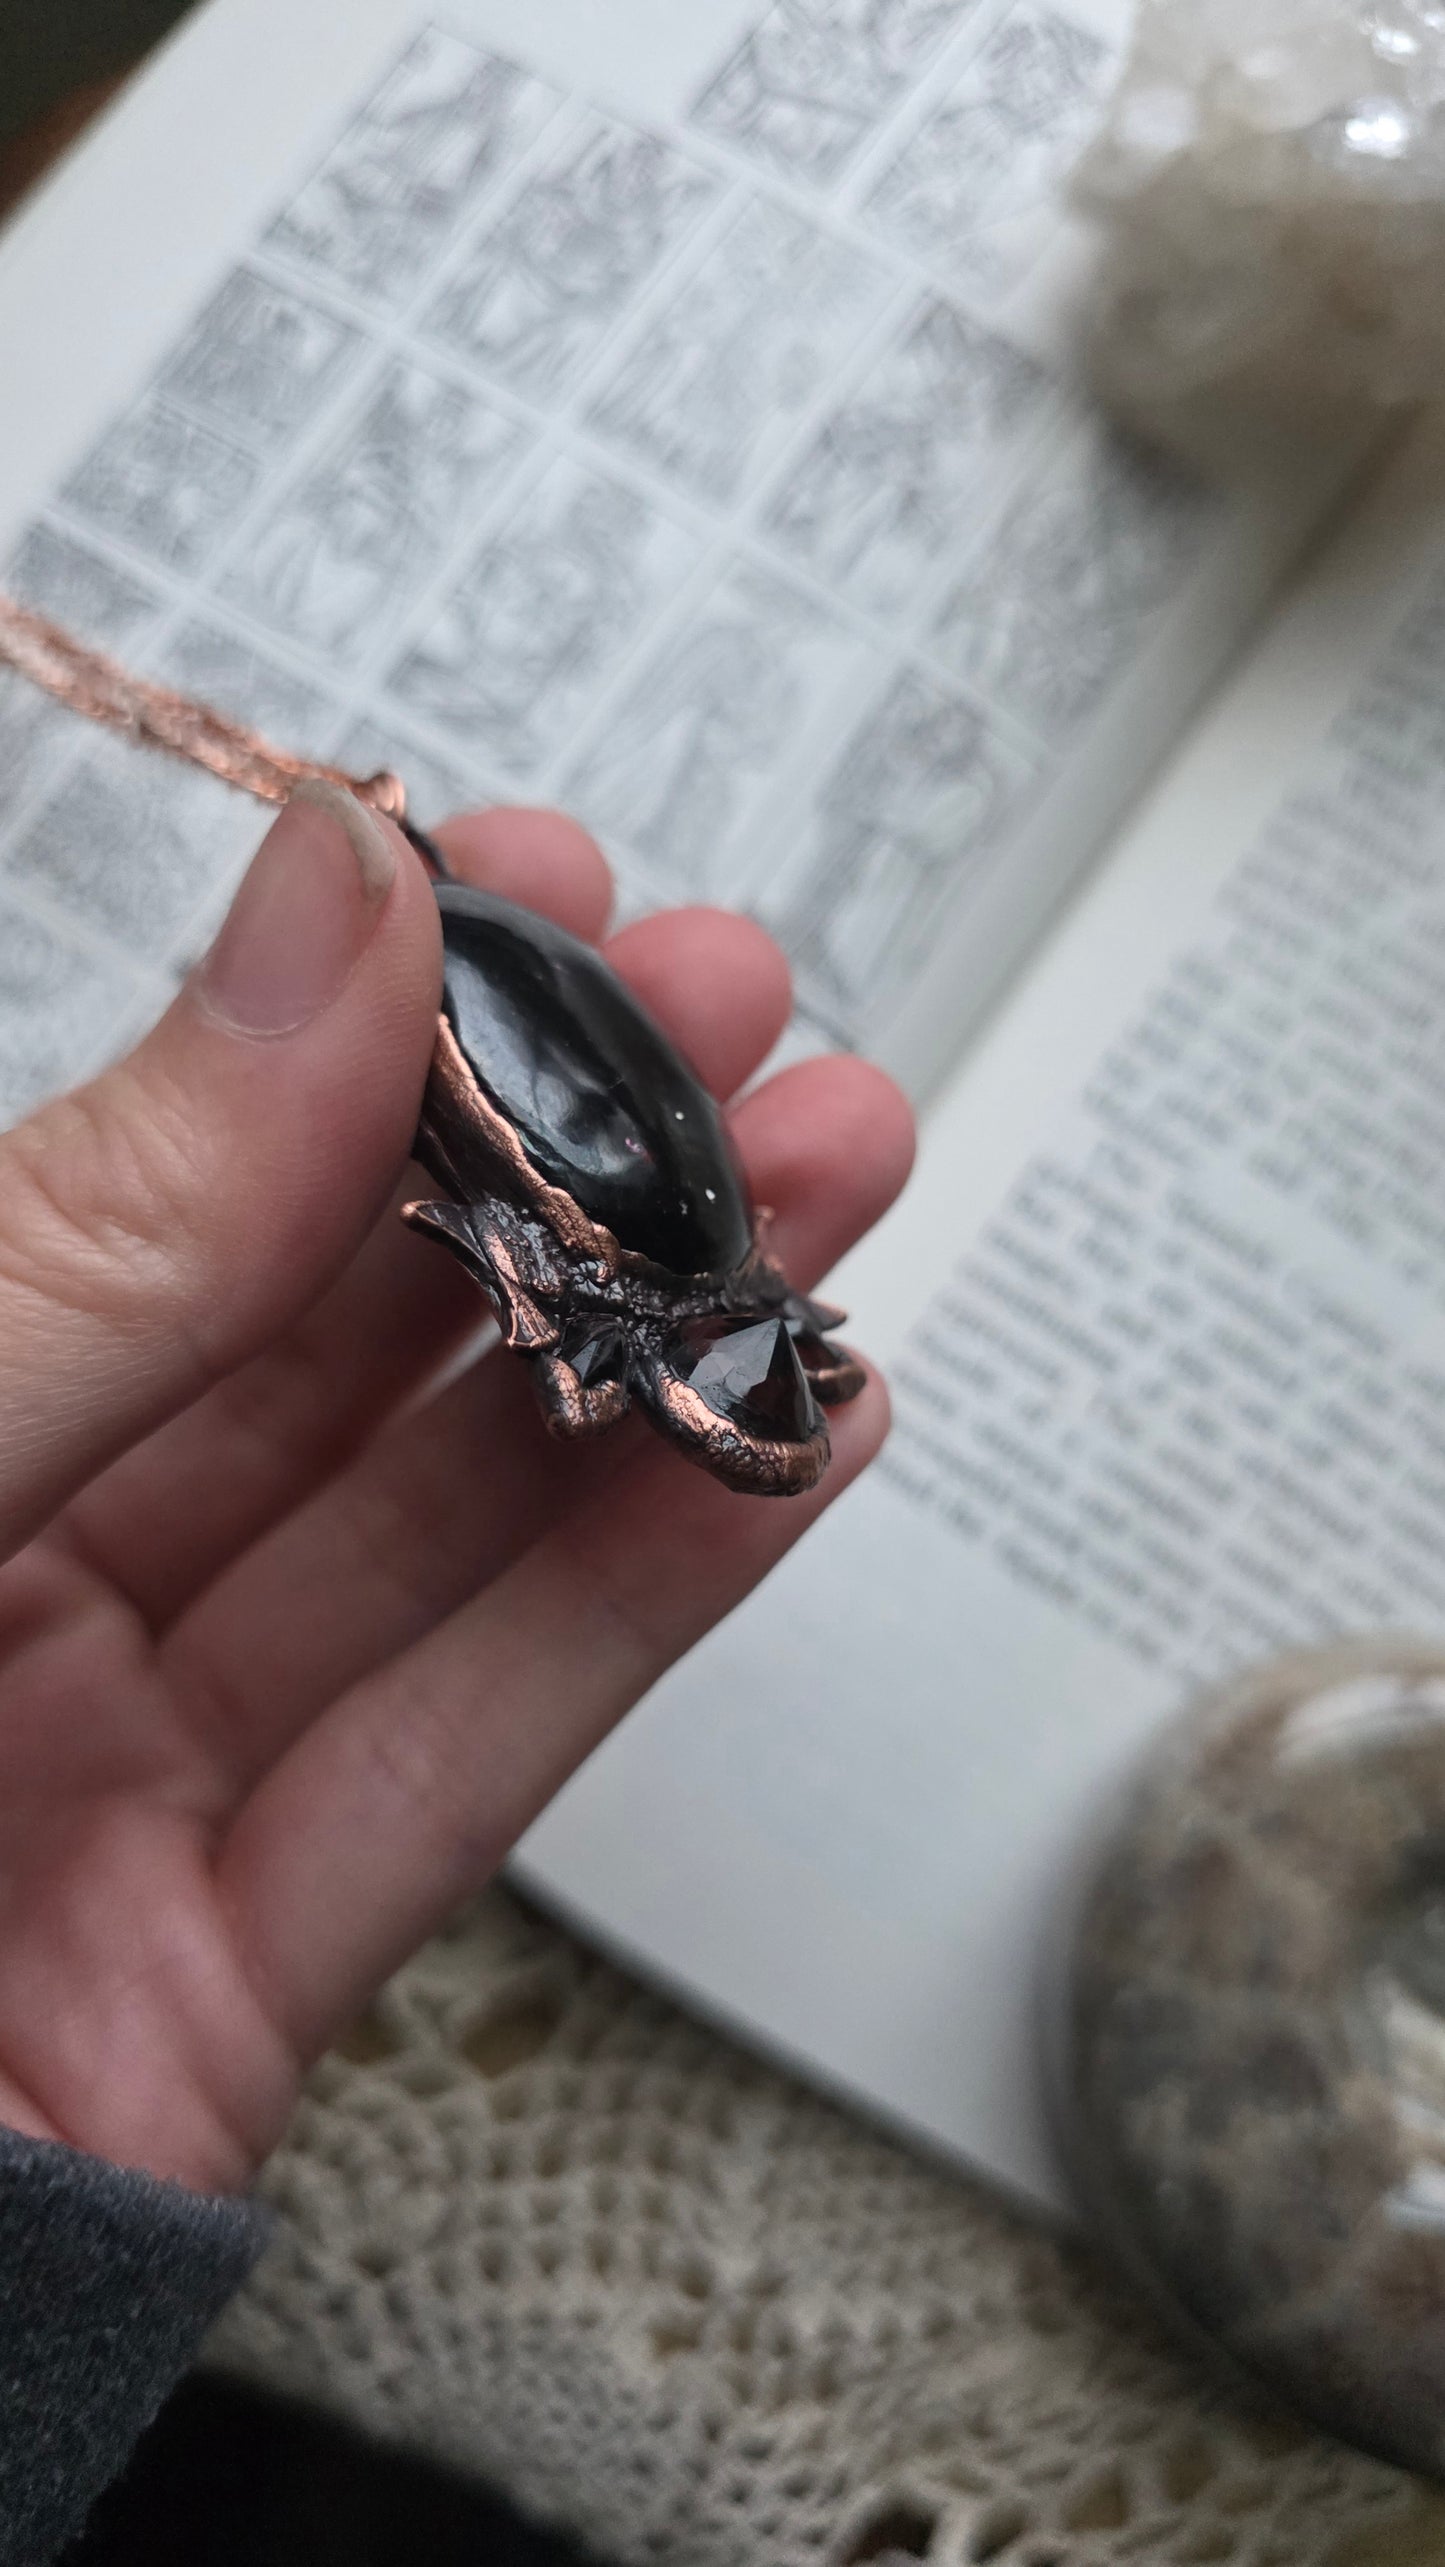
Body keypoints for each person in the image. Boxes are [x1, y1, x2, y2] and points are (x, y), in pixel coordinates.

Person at [0, 783, 913, 2562]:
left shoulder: (700, 1280)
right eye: (733, 1403)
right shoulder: (634, 1288)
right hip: (497, 1054)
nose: (731, 1415)